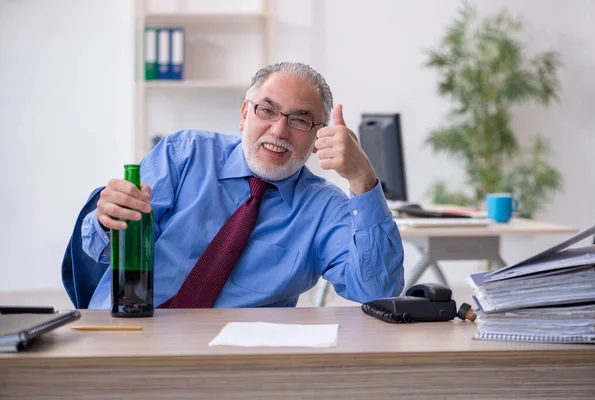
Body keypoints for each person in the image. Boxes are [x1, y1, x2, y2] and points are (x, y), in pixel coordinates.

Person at [81, 62, 404, 308]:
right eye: (267, 110)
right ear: (244, 114)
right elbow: (102, 249)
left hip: (236, 361)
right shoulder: (184, 153)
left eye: (300, 120)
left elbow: (377, 290)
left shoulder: (325, 207)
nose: (278, 131)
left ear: (319, 135)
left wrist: (363, 180)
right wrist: (108, 220)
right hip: (130, 330)